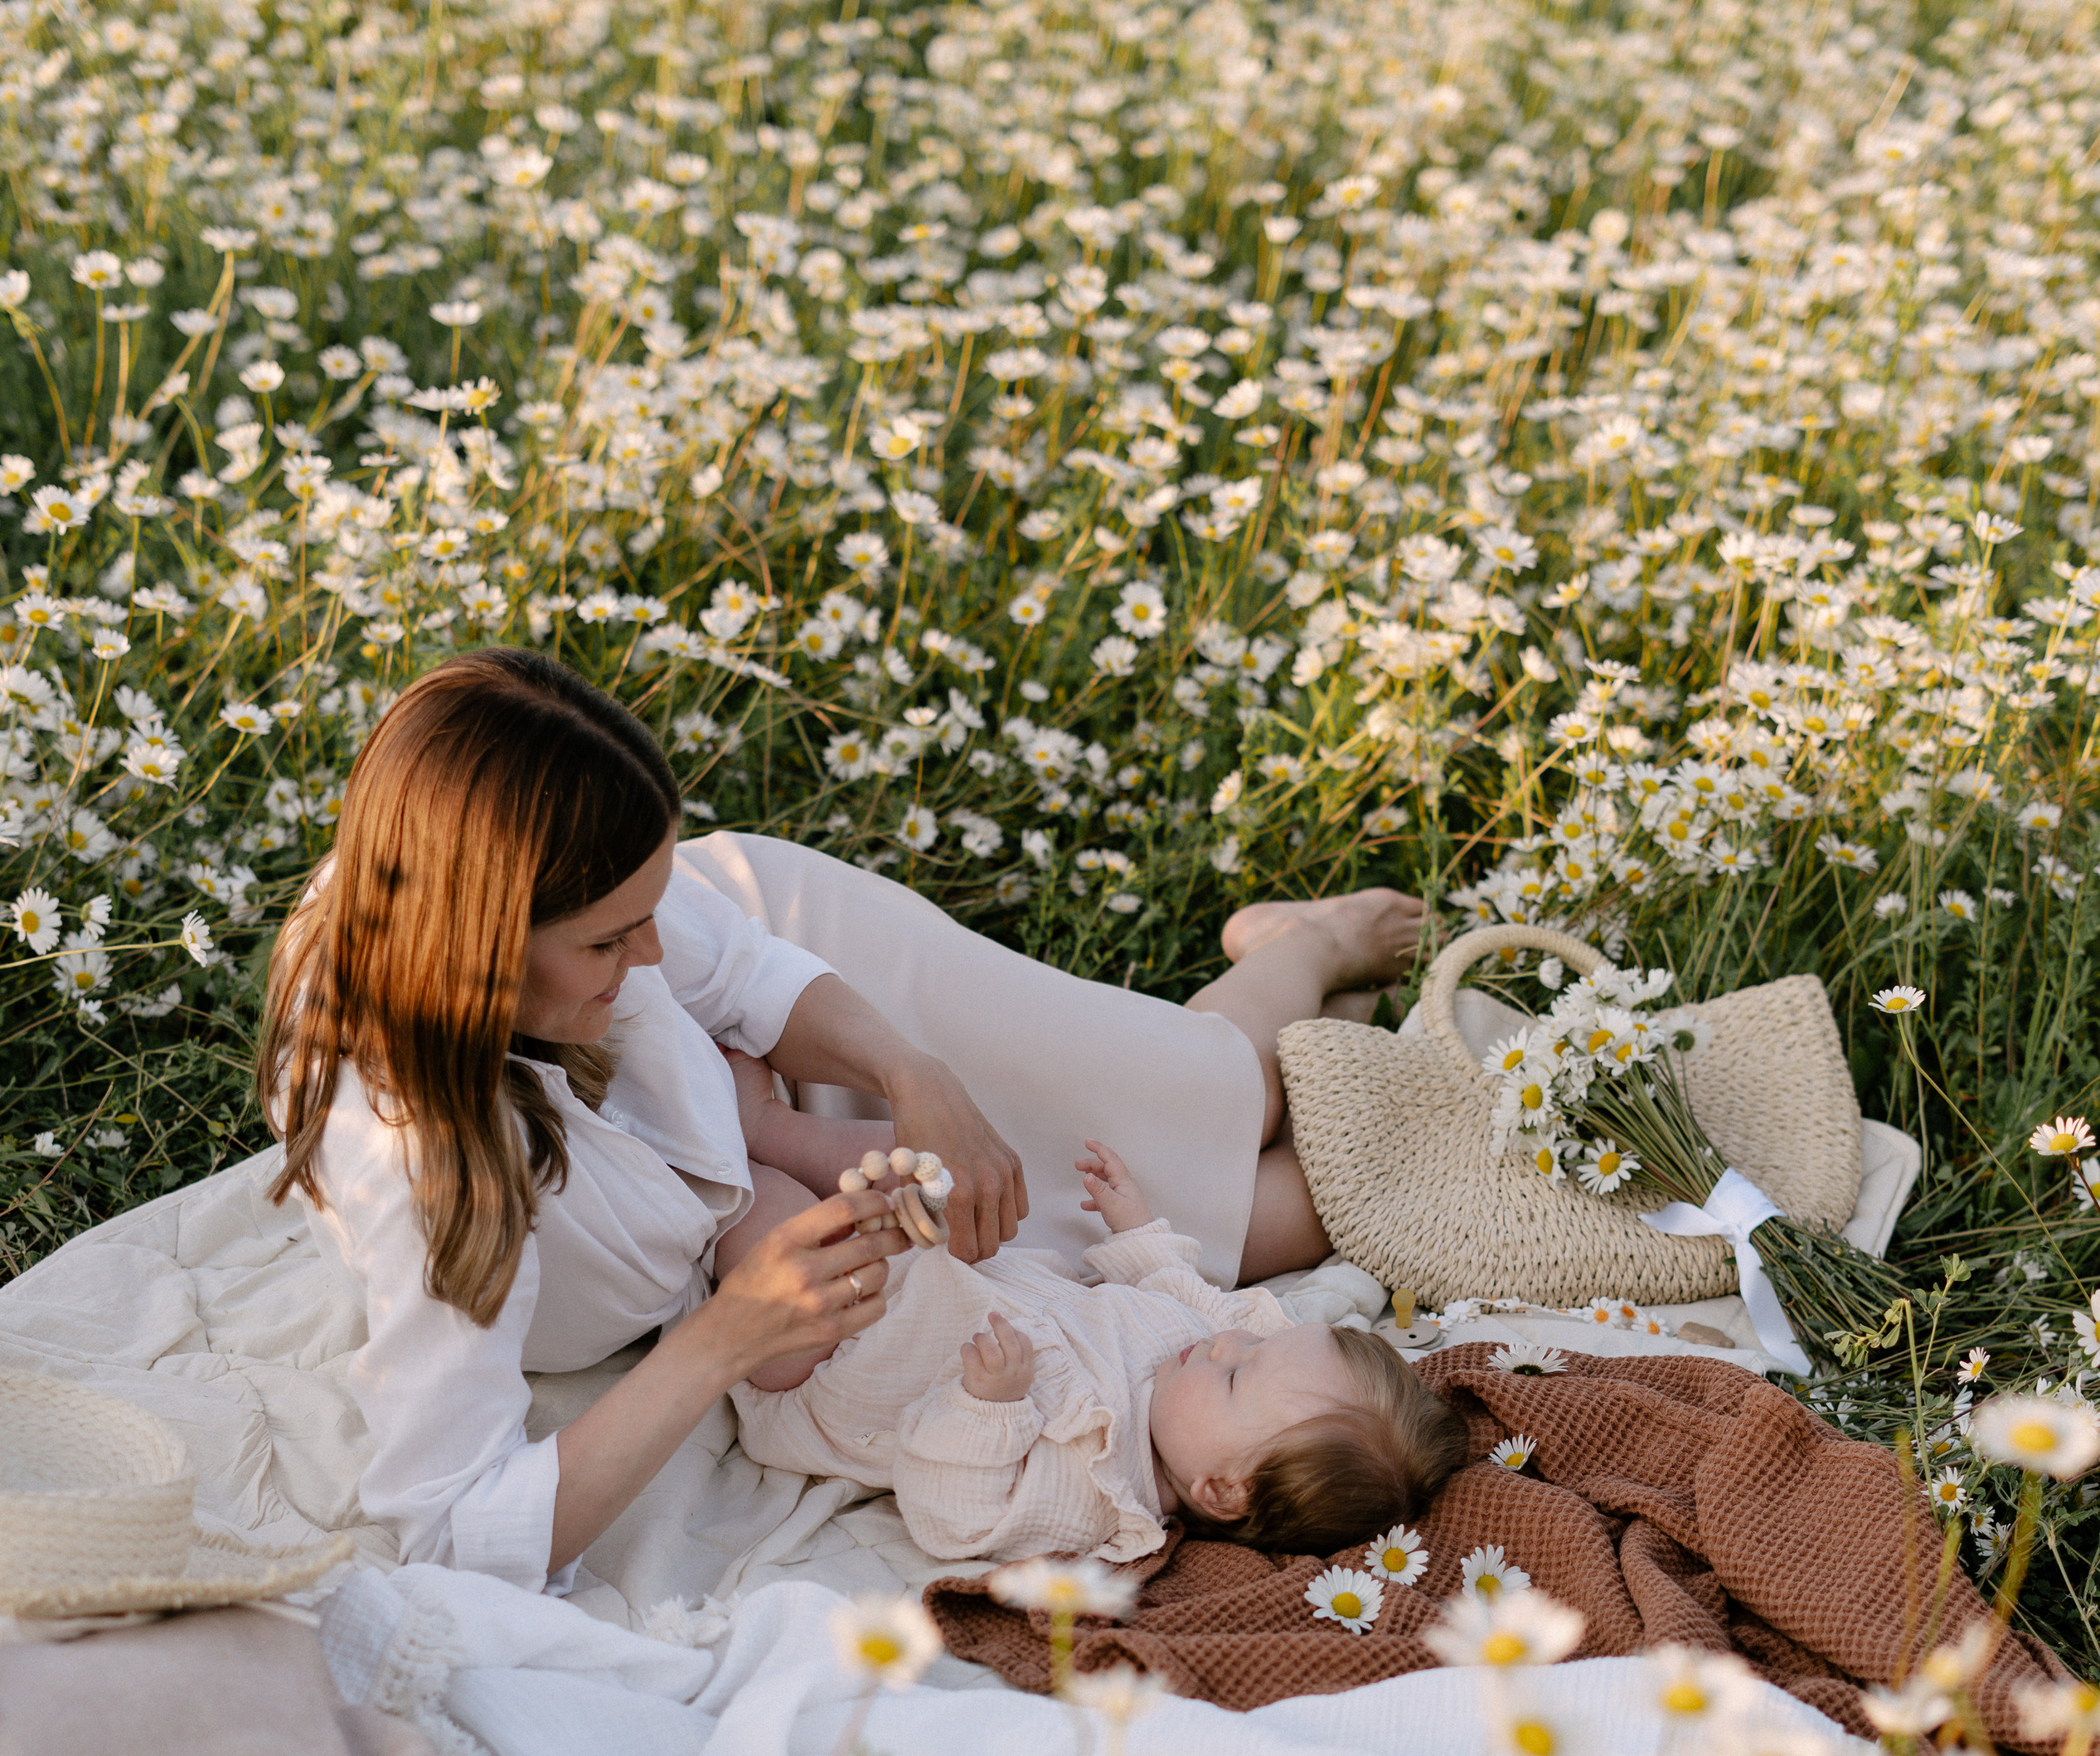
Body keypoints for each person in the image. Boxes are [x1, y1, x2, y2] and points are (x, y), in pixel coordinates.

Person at [261, 648, 1428, 1589]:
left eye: (656, 908)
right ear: (482, 955)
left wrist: (916, 1074)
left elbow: (740, 976)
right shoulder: (433, 1177)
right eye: (614, 938)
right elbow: (451, 1540)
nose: (655, 954)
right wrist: (729, 1337)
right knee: (1279, 1220)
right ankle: (1307, 975)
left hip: (823, 1020)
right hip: (822, 1217)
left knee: (1230, 1098)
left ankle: (1302, 949)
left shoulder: (598, 931)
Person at [733, 1136, 1465, 1567]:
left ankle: (725, 1158)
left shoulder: (1096, 1492)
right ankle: (761, 1126)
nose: (1227, 1346)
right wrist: (1136, 1225)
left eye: (1239, 1375)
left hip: (835, 1362)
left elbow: (955, 1517)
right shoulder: (1199, 1364)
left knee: (774, 1217)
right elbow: (1183, 1287)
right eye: (1250, 1344)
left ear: (1222, 1490)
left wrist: (987, 1408)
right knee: (891, 1153)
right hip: (924, 1271)